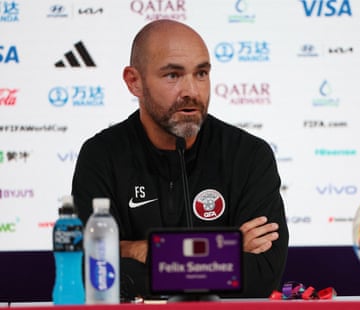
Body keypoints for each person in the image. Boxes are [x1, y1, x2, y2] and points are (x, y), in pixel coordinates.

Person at [71, 19, 289, 299]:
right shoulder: (101, 155)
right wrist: (227, 255)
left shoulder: (248, 155)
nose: (191, 91)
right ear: (133, 81)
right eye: (173, 75)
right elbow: (93, 273)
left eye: (201, 73)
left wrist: (135, 250)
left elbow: (262, 276)